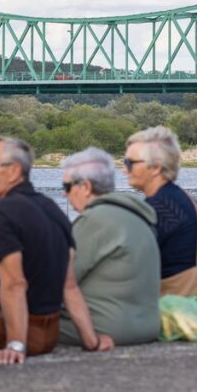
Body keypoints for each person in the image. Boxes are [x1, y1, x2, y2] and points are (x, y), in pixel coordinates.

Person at [0, 137, 112, 364]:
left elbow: (15, 284)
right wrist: (91, 340)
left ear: (13, 171)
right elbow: (68, 284)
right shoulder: (52, 210)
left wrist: (16, 344)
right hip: (47, 336)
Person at [59, 147, 160, 346]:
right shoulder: (139, 215)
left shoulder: (93, 220)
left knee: (14, 321)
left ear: (86, 187)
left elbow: (60, 282)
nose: (64, 194)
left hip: (110, 330)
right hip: (149, 326)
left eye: (67, 186)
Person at [124, 126, 197, 327]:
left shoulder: (160, 209)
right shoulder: (175, 199)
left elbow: (126, 265)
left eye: (130, 163)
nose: (124, 169)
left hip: (192, 313)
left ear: (156, 168)